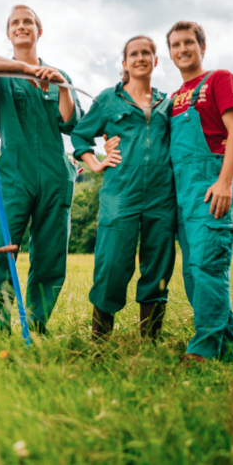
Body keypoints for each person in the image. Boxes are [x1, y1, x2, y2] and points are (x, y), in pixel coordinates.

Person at [0, 5, 84, 335]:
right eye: (15, 23)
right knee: (2, 252)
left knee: (49, 258)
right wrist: (24, 69)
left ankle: (35, 326)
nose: (22, 26)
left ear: (39, 30)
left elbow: (71, 123)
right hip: (14, 173)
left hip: (55, 173)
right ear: (8, 33)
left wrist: (61, 85)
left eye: (28, 21)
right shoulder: (0, 75)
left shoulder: (59, 74)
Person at [71, 36, 176, 342]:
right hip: (120, 194)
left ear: (156, 61)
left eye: (147, 53)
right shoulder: (108, 100)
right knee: (113, 263)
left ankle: (151, 341)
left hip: (161, 195)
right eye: (134, 54)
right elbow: (80, 136)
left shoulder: (167, 103)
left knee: (158, 265)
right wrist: (95, 162)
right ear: (125, 63)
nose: (140, 57)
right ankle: (99, 342)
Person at [165, 21, 233, 362]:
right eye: (175, 45)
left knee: (208, 265)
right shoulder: (171, 99)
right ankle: (230, 352)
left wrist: (225, 181)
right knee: (193, 271)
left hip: (211, 180)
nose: (182, 49)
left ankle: (203, 350)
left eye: (188, 43)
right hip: (182, 191)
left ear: (202, 47)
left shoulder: (219, 79)